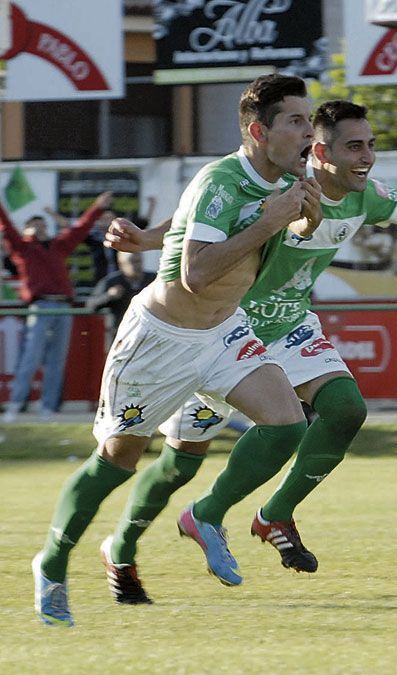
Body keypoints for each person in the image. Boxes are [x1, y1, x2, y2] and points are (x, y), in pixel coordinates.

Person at [95, 100, 397, 605]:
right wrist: (150, 240)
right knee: (180, 464)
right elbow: (201, 218)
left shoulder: (363, 196)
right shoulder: (283, 187)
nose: (368, 156)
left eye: (372, 145)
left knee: (346, 408)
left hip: (288, 328)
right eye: (356, 146)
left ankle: (269, 514)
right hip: (227, 330)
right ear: (321, 151)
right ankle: (123, 548)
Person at [29, 73, 327, 627]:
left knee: (287, 424)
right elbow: (194, 273)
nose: (310, 132)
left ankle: (207, 516)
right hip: (160, 341)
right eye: (297, 121)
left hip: (224, 332)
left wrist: (300, 214)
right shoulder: (220, 180)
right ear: (259, 131)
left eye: (309, 120)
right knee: (119, 459)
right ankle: (52, 560)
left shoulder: (285, 179)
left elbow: (194, 224)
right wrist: (272, 222)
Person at [0, 193, 110, 422]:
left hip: (63, 307)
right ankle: (15, 405)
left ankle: (47, 408)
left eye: (42, 225)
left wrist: (96, 208)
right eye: (34, 226)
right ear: (27, 230)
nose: (40, 229)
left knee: (56, 361)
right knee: (30, 358)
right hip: (40, 306)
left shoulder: (58, 246)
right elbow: (7, 225)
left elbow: (80, 229)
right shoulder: (22, 248)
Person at [87, 250, 155, 333]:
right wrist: (109, 296)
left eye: (138, 261)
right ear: (121, 264)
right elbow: (90, 304)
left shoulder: (153, 279)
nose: (137, 266)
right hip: (119, 332)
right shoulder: (112, 281)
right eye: (132, 262)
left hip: (149, 331)